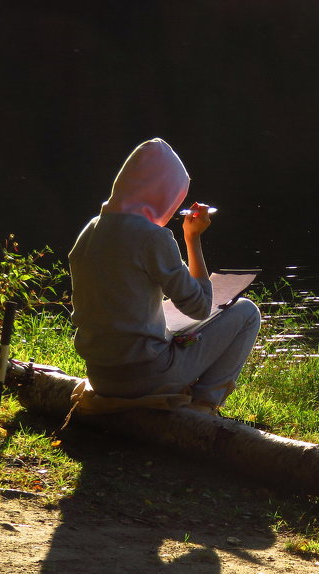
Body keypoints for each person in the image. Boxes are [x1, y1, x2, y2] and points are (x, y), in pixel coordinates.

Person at [69, 138, 260, 414]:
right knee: (246, 312)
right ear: (163, 193)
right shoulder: (152, 237)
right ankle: (203, 407)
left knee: (167, 317)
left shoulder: (91, 230)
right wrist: (192, 238)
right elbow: (199, 307)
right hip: (146, 377)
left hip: (100, 377)